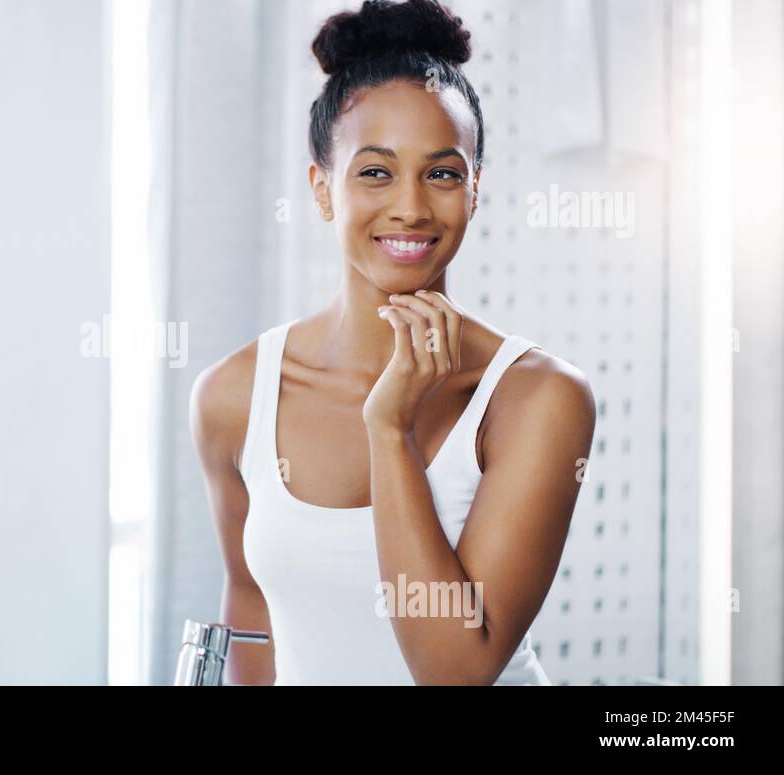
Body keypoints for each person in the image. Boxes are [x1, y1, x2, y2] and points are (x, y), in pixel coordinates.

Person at [190, 0, 596, 685]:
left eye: (442, 173)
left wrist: (389, 428)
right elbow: (251, 602)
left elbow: (455, 671)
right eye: (375, 171)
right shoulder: (232, 396)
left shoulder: (539, 397)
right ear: (321, 188)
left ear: (474, 191)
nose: (410, 206)